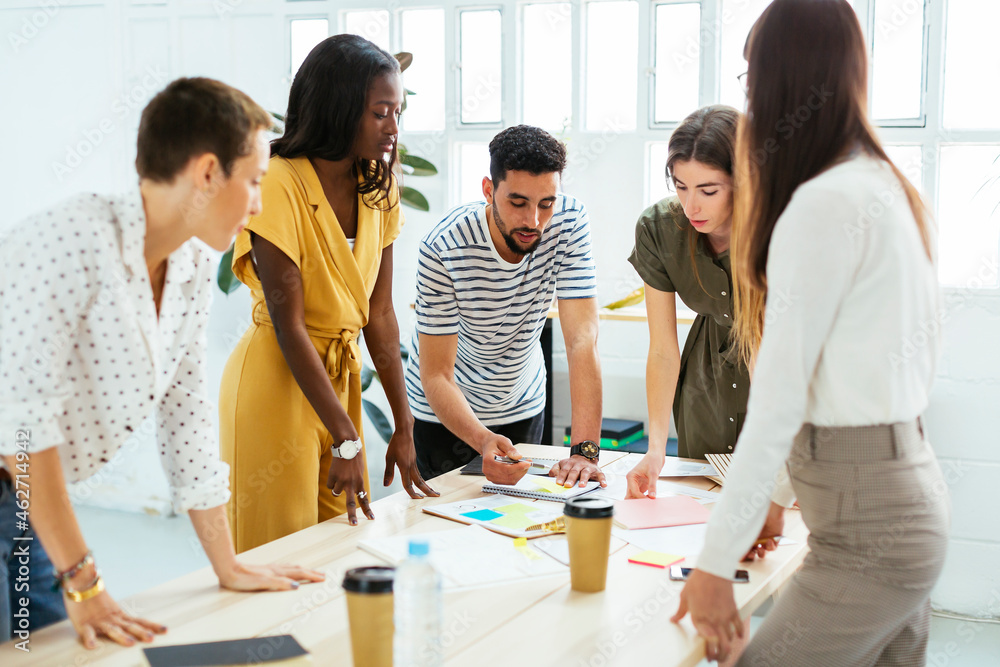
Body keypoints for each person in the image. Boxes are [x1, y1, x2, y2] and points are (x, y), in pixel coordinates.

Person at [0, 77, 325, 649]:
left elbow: (187, 415)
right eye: (253, 181)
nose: (258, 203)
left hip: (25, 499)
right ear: (205, 173)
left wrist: (228, 564)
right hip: (18, 474)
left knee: (54, 649)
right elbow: (23, 430)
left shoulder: (193, 264)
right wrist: (82, 578)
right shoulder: (69, 242)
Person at [671, 1, 949, 664]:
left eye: (749, 78)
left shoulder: (823, 203)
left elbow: (778, 398)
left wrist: (714, 562)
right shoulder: (886, 185)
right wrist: (774, 497)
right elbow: (852, 373)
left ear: (778, 85)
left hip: (867, 529)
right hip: (904, 501)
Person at [219, 34, 436, 555]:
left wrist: (404, 424)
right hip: (275, 383)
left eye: (397, 112)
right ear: (340, 109)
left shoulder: (378, 188)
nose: (394, 127)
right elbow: (289, 322)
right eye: (381, 112)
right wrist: (347, 438)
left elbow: (380, 315)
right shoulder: (276, 183)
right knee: (277, 559)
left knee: (336, 551)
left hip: (339, 384)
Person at [404, 124, 606, 487]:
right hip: (445, 415)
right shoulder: (443, 247)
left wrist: (585, 450)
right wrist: (481, 439)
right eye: (517, 203)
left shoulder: (570, 222)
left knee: (525, 521)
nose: (533, 221)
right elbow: (436, 374)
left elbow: (582, 340)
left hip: (523, 402)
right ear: (488, 190)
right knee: (447, 530)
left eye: (546, 203)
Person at [623, 105, 753, 501]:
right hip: (704, 390)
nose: (691, 205)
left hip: (777, 381)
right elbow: (663, 350)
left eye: (708, 190)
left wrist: (785, 451)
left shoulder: (778, 226)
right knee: (702, 519)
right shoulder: (659, 228)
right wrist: (656, 449)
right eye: (680, 186)